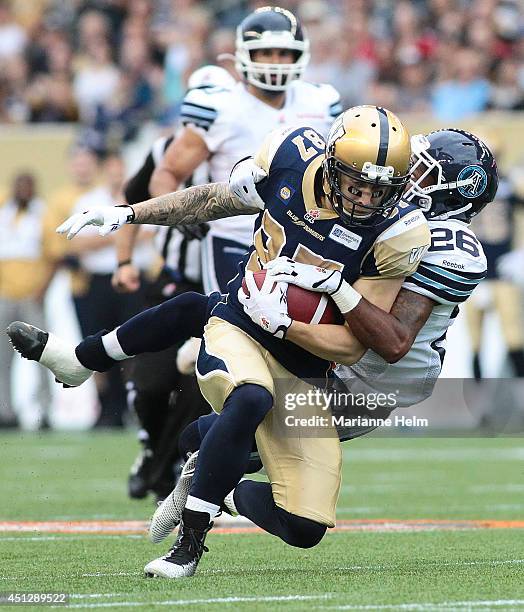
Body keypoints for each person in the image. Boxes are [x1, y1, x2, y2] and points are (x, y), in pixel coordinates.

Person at [8, 105, 430, 577]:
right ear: (330, 164)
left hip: (307, 364)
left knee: (306, 526)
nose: (367, 198)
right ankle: (187, 546)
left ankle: (211, 469)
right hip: (241, 323)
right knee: (249, 394)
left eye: (381, 187)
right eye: (357, 182)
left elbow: (354, 346)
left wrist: (306, 312)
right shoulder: (291, 157)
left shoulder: (398, 232)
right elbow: (210, 201)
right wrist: (129, 214)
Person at [113, 5, 342, 299]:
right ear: (246, 54)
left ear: (299, 55)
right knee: (234, 326)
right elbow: (167, 173)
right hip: (235, 237)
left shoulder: (321, 101)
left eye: (283, 53)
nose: (275, 62)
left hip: (302, 237)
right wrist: (181, 216)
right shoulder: (220, 107)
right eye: (266, 52)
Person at [121, 66, 234, 501]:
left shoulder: (242, 155)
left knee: (201, 390)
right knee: (149, 385)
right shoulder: (165, 151)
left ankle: (170, 471)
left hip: (221, 292)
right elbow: (129, 203)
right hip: (171, 284)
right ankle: (153, 451)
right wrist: (125, 260)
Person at [0, 173, 64, 428]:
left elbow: (55, 256)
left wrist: (42, 290)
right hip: (5, 296)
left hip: (31, 296)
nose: (24, 191)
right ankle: (5, 411)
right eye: (20, 186)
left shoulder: (42, 214)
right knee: (2, 358)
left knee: (41, 355)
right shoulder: (4, 213)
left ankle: (44, 411)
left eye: (28, 187)